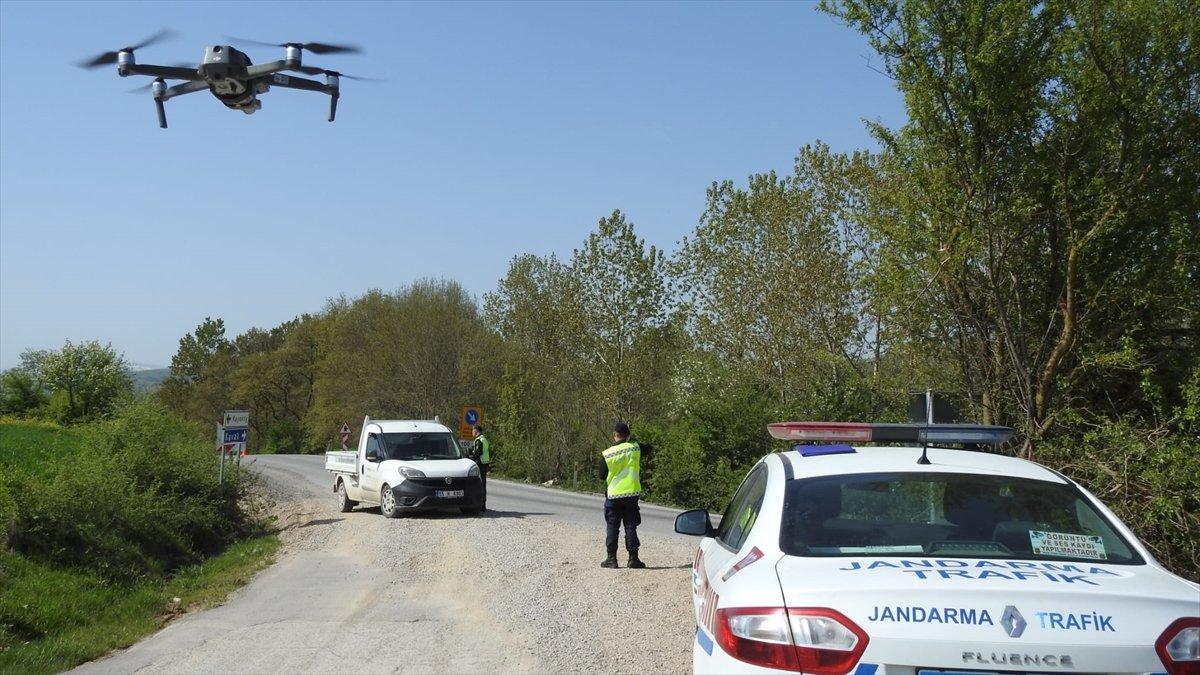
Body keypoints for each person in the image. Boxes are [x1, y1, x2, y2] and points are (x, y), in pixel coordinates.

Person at [598, 421, 645, 569]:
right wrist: (632, 440)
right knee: (630, 525)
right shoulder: (635, 448)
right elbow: (648, 447)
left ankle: (611, 559)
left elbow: (601, 475)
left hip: (613, 496)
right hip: (631, 494)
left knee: (613, 526)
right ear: (628, 436)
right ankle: (633, 558)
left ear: (614, 435)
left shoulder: (607, 454)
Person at [471, 424, 490, 511]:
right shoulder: (484, 439)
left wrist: (470, 458)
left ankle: (481, 505)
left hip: (480, 465)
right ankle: (483, 505)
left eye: (473, 430)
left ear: (476, 431)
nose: (472, 432)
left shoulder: (479, 440)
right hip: (485, 464)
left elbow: (477, 453)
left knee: (480, 485)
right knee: (483, 485)